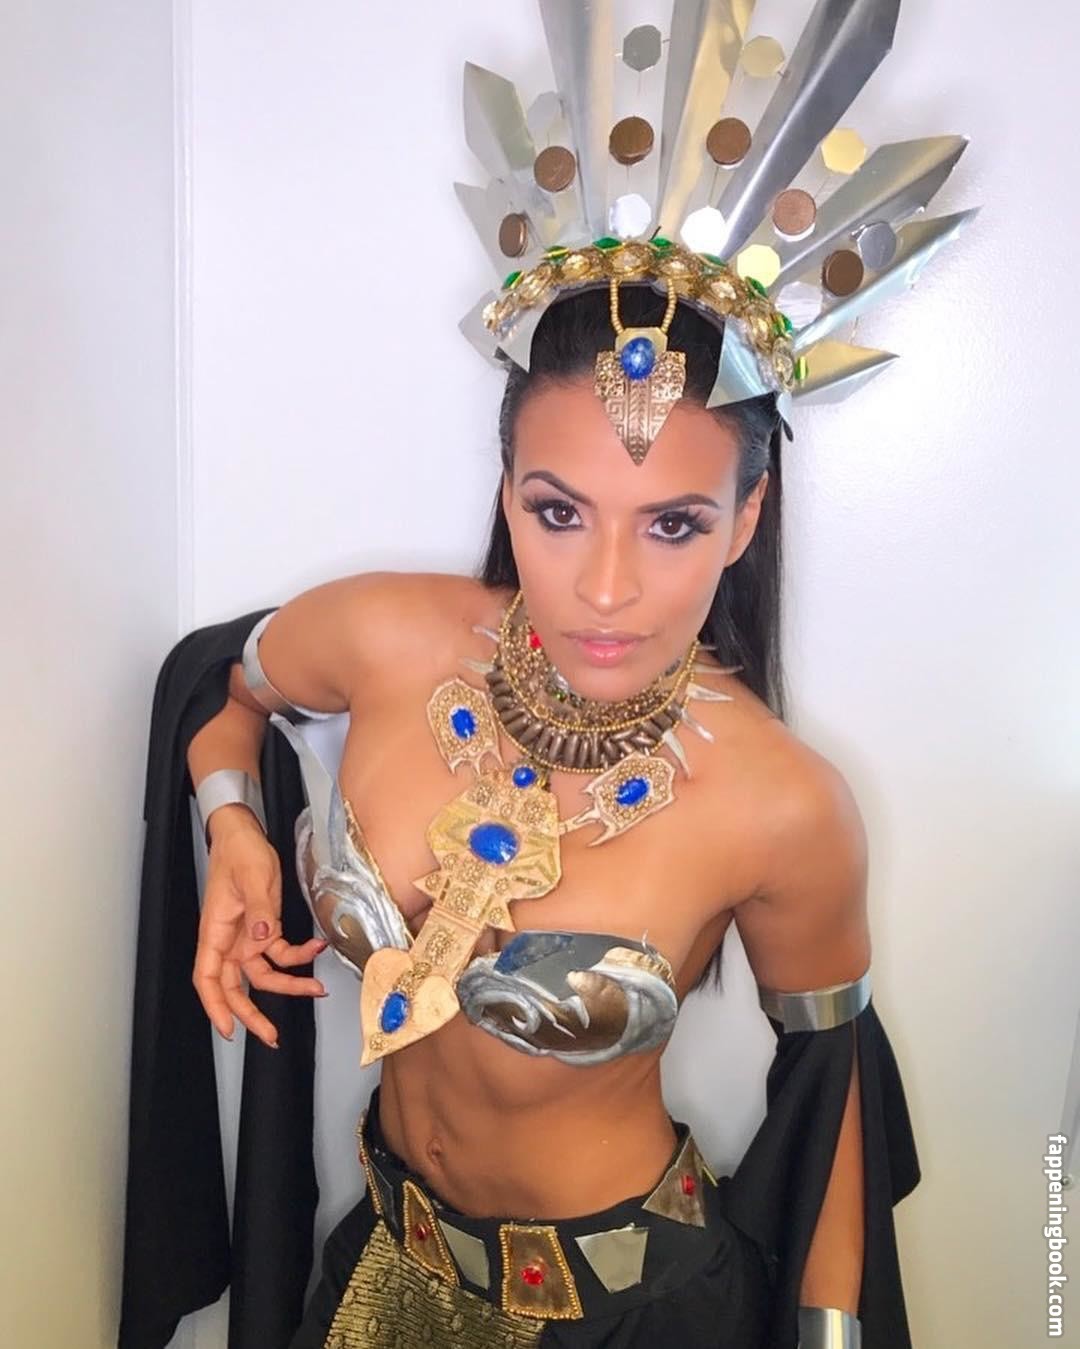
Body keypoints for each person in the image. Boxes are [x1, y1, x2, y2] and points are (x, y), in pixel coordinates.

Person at [119, 5, 975, 1346]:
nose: (607, 589)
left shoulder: (783, 804)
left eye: (673, 524)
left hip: (630, 1313)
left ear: (745, 520)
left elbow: (835, 1108)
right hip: (383, 1273)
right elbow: (227, 687)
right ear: (508, 484)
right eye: (560, 511)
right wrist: (232, 826)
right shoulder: (389, 635)